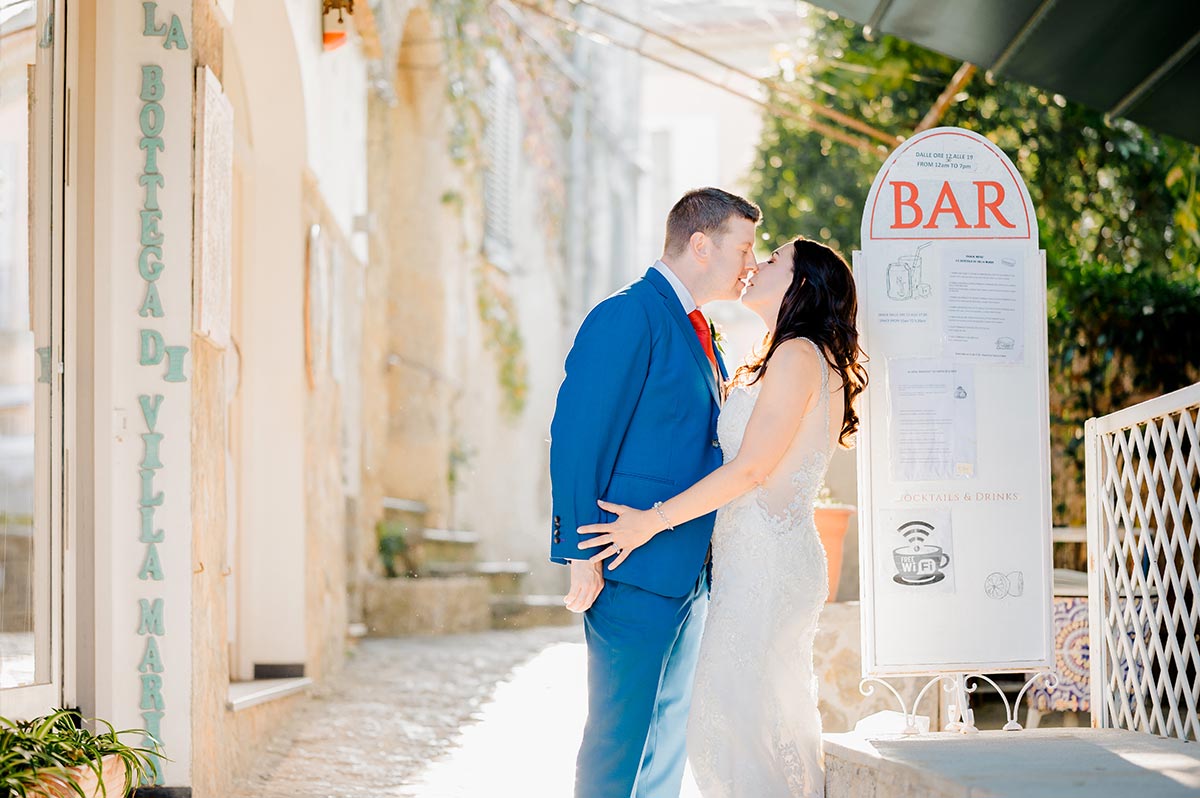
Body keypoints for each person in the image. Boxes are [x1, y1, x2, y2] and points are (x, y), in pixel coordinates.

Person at [578, 236, 868, 797]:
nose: (756, 265)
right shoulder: (799, 354)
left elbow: (750, 469)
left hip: (766, 564)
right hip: (760, 560)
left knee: (728, 731)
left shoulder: (797, 355)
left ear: (800, 285)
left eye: (773, 259)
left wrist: (649, 520)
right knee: (754, 725)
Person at [549, 187, 760, 798]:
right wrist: (579, 555)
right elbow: (577, 436)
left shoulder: (703, 330)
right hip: (630, 567)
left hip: (688, 571)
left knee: (667, 742)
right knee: (619, 744)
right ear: (701, 244)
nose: (751, 262)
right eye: (742, 248)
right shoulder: (628, 314)